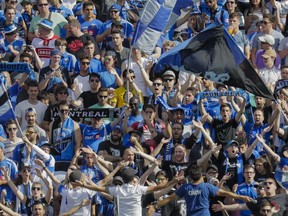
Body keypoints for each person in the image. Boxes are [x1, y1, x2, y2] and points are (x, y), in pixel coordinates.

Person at [153, 165, 253, 216]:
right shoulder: (206, 186)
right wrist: (242, 197)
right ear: (201, 175)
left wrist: (156, 206)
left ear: (191, 177)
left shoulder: (186, 187)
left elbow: (170, 198)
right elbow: (226, 193)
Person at [212, 177, 288, 216]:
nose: (267, 184)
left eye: (270, 183)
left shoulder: (284, 197)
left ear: (275, 187)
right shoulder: (258, 200)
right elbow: (240, 206)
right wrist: (224, 207)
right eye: (265, 183)